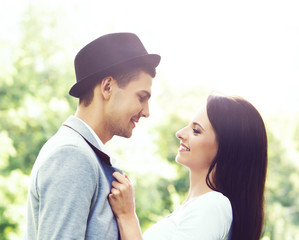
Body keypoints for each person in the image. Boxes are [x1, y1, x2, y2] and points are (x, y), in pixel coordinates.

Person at [24, 32, 161, 239]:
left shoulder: (87, 154)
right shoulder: (72, 155)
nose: (146, 111)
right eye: (141, 97)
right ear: (107, 87)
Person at [108, 94, 268, 240]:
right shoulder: (194, 207)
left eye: (196, 130)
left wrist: (127, 215)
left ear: (227, 149)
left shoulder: (214, 205)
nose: (180, 133)